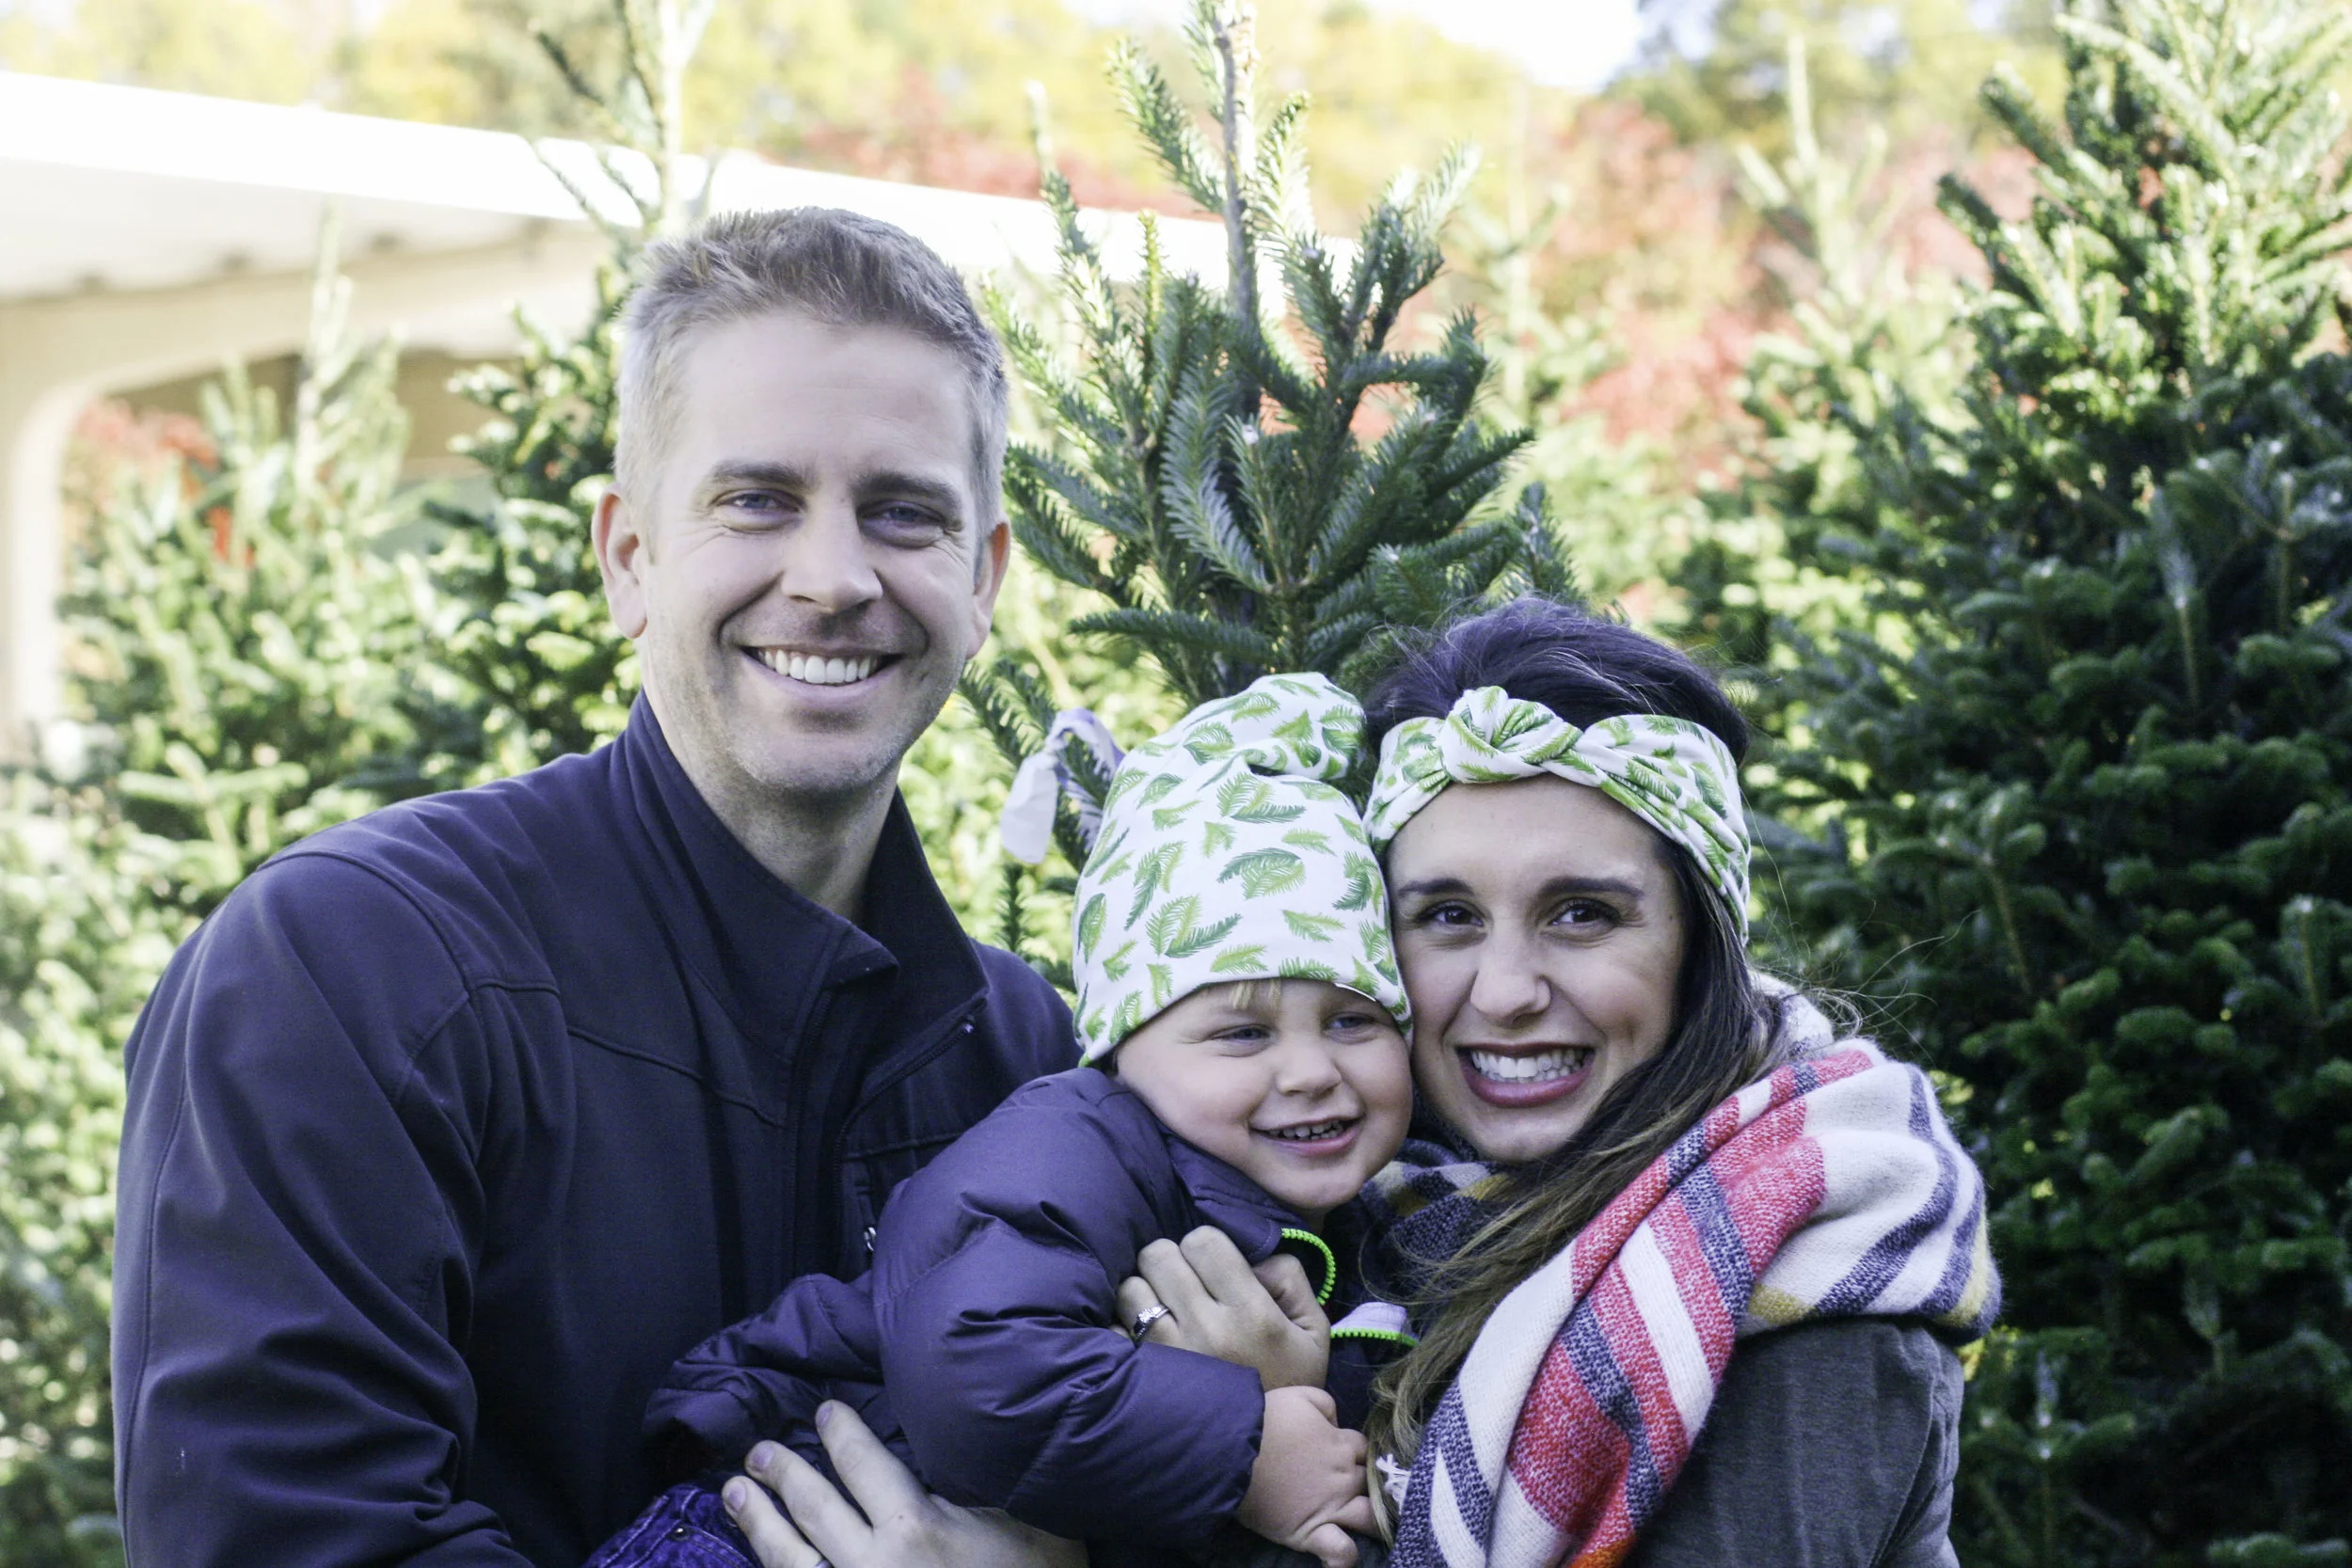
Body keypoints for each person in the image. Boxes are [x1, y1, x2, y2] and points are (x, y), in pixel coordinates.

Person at [110, 208, 1081, 1568]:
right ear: (630, 557)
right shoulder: (355, 968)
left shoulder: (1027, 1056)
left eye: (902, 512)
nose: (833, 577)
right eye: (756, 500)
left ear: (981, 581)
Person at [1113, 596, 2000, 1568]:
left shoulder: (1800, 1288)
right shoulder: (1364, 1209)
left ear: (1698, 947)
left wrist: (1249, 1429)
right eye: (1447, 915)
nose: (1504, 992)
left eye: (1581, 913)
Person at [595, 674, 1412, 1568]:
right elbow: (971, 1366)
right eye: (1242, 1034)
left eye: (1354, 1020)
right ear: (1123, 1044)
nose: (1311, 1071)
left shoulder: (1373, 1225)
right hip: (764, 1518)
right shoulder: (1076, 1147)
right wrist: (1248, 1454)